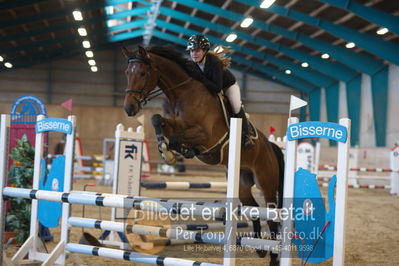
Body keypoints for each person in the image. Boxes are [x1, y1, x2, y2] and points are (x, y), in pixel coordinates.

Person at [186, 34, 254, 149]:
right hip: (210, 88)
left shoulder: (214, 62)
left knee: (235, 106)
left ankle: (247, 135)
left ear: (204, 51)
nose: (194, 54)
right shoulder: (192, 64)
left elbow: (217, 87)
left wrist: (200, 78)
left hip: (227, 86)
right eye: (191, 51)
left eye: (197, 51)